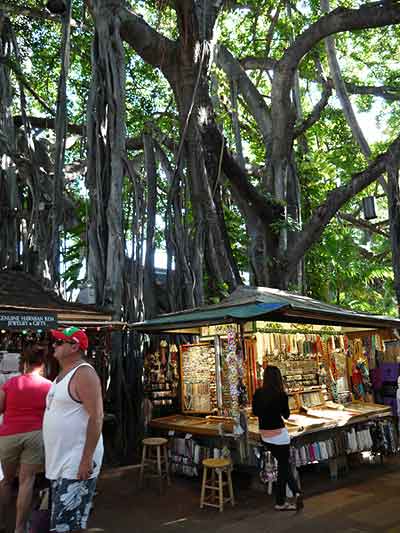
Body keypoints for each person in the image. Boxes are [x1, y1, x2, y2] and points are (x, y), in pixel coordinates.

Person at [43, 327, 104, 533]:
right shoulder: (62, 374)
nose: (54, 345)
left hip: (76, 459)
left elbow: (97, 417)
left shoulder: (84, 373)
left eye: (59, 342)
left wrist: (86, 459)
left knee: (63, 523)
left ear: (75, 347)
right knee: (67, 521)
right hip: (61, 459)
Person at [0, 344, 52, 533]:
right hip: (35, 435)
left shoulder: (10, 383)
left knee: (6, 480)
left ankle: (1, 522)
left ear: (24, 364)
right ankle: (19, 528)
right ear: (42, 364)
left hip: (8, 435)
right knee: (26, 481)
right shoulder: (49, 386)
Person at [252, 365, 303, 511]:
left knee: (283, 467)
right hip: (280, 436)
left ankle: (281, 502)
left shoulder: (258, 393)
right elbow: (286, 415)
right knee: (284, 466)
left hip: (265, 436)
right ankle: (296, 493)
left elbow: (255, 412)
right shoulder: (281, 394)